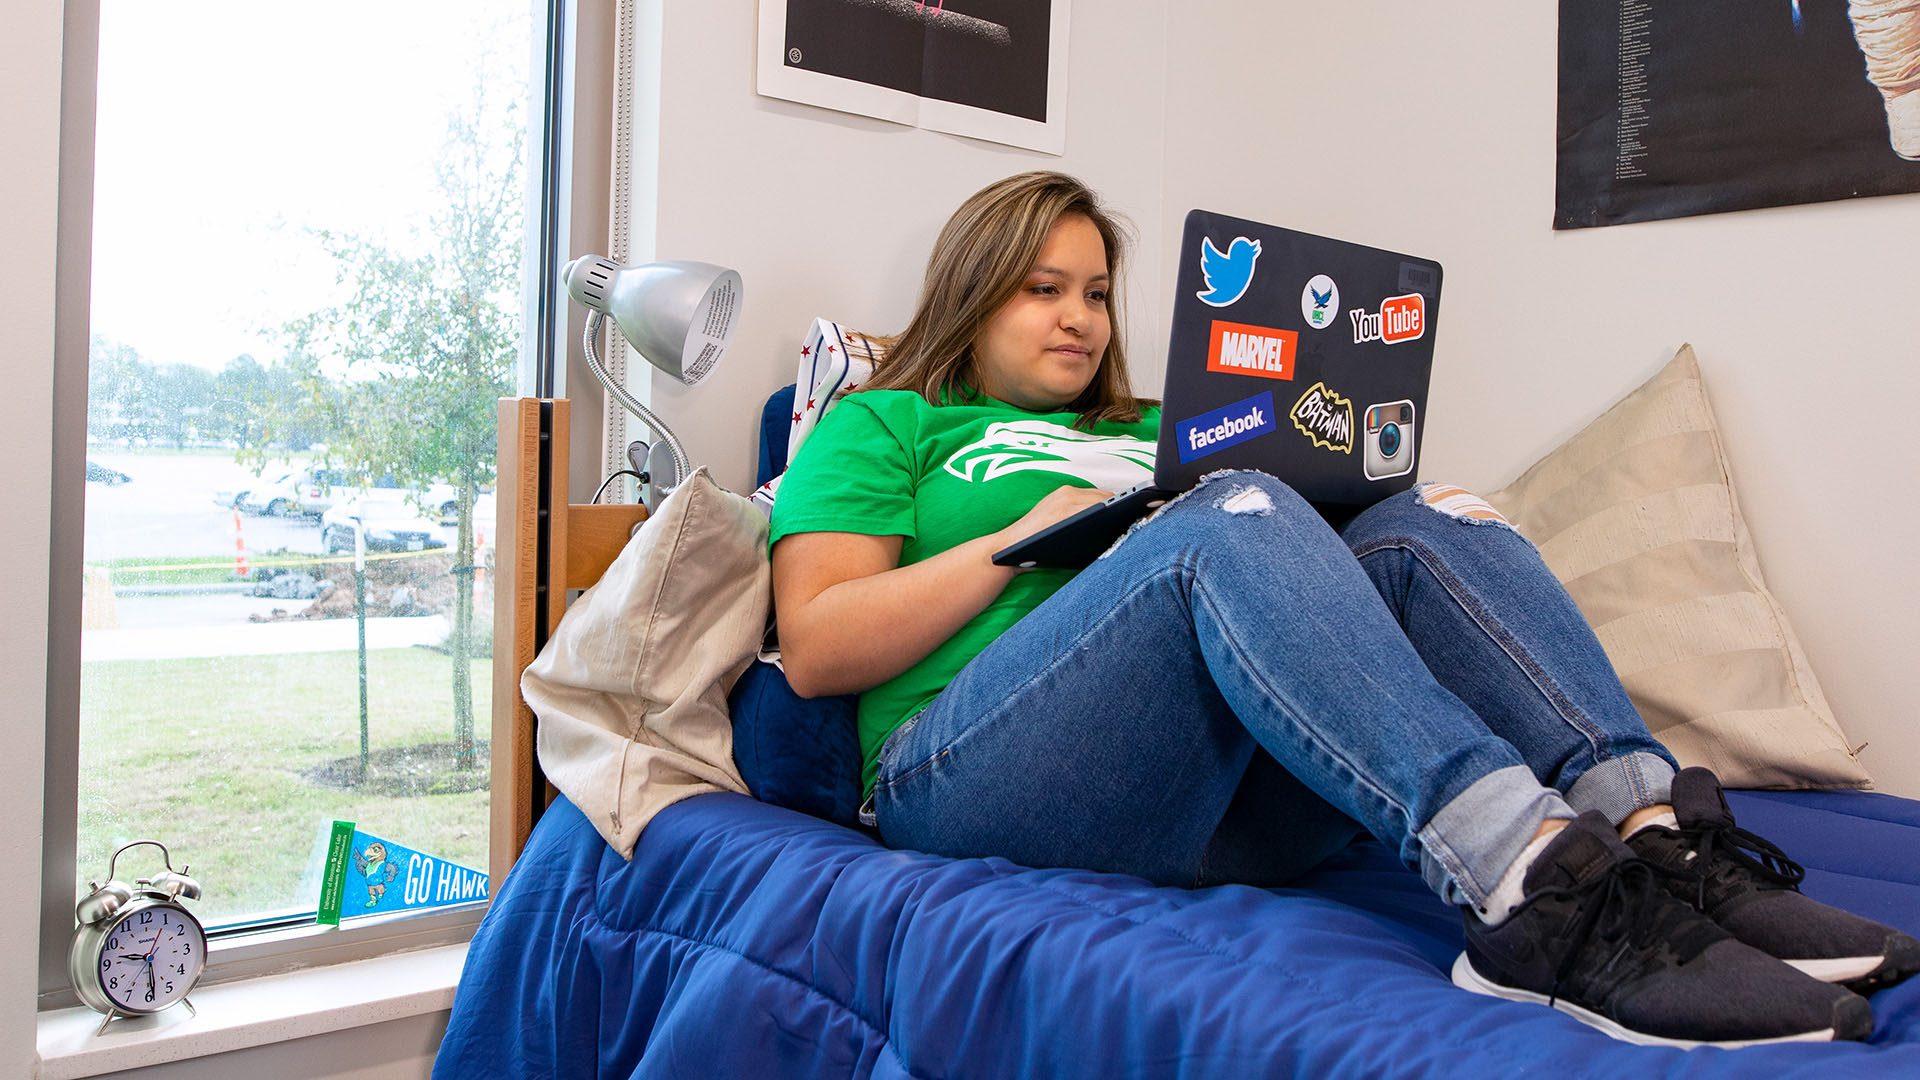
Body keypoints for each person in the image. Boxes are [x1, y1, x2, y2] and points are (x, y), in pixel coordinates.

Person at [768, 171, 1917, 1048]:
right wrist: (1024, 541)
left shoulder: (1162, 429)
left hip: (1218, 803)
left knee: (1426, 527)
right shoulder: (892, 423)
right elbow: (817, 649)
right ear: (974, 293)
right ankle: (1529, 891)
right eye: (1044, 288)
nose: (1082, 318)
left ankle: (1662, 843)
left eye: (1100, 294)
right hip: (968, 777)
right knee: (1230, 512)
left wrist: (1390, 510)